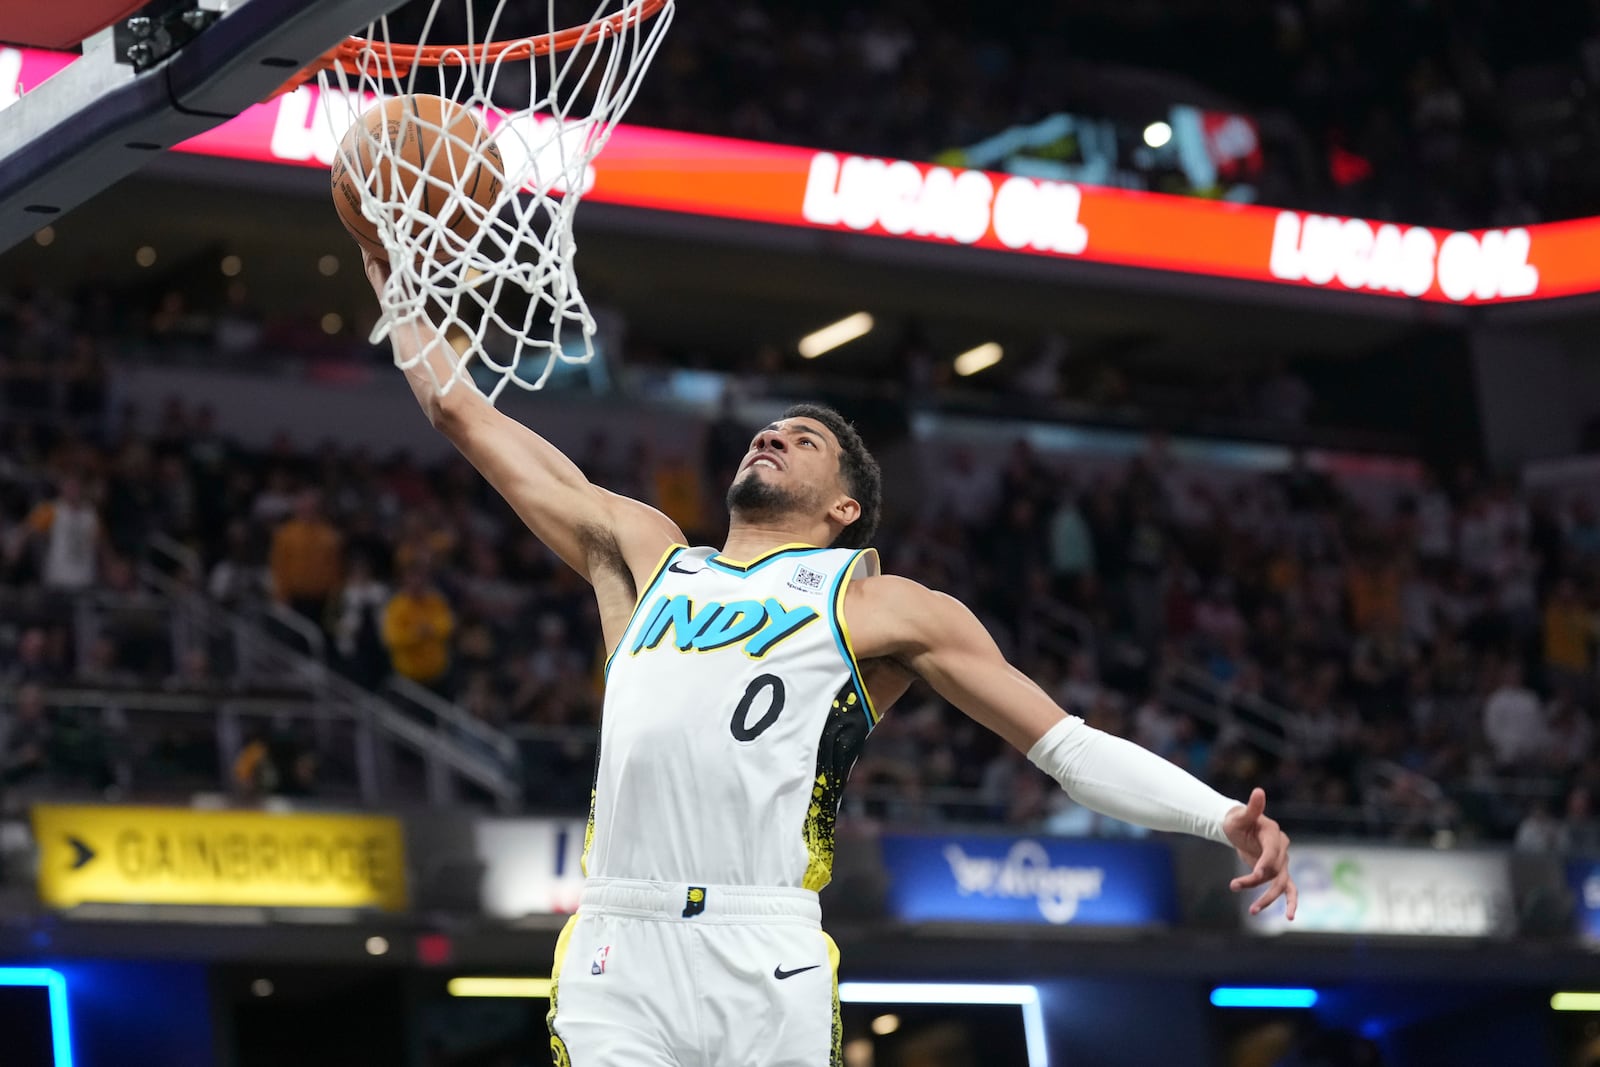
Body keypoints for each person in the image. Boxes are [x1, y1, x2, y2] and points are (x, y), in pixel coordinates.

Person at [362, 253, 1296, 1067]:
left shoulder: (878, 603)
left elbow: (1067, 747)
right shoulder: (647, 554)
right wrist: (390, 259)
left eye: (803, 440)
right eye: (770, 429)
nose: (770, 433)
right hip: (619, 936)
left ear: (844, 509)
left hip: (765, 942)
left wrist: (1220, 817)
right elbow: (459, 410)